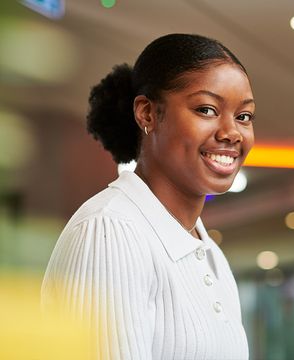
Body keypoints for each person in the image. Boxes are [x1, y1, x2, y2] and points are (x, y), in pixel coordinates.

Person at [41, 33, 255, 360]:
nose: (232, 132)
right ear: (147, 114)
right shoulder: (109, 231)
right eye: (207, 109)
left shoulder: (209, 253)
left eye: (244, 116)